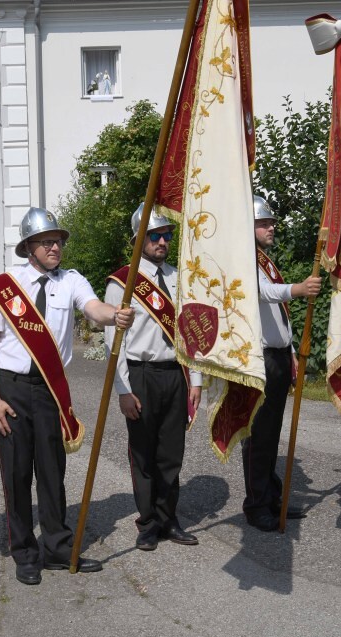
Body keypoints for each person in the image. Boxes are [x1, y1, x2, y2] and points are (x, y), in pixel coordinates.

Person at [0, 207, 134, 585]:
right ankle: (24, 553)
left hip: (49, 390)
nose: (55, 247)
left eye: (58, 241)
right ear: (28, 247)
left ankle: (58, 549)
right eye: (46, 242)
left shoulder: (71, 281)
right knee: (17, 474)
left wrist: (114, 314)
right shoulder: (6, 286)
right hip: (12, 389)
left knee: (52, 472)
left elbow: (93, 308)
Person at [104, 204, 203, 551]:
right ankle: (147, 523)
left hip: (174, 373)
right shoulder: (123, 281)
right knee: (144, 453)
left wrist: (196, 380)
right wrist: (123, 390)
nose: (162, 241)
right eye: (155, 235)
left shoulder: (180, 277)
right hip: (140, 374)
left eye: (167, 235)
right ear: (138, 240)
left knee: (171, 452)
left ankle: (168, 518)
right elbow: (113, 343)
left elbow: (191, 333)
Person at [241, 195, 321, 532]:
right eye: (264, 223)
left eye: (271, 222)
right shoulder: (243, 258)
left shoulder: (265, 260)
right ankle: (256, 505)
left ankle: (272, 497)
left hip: (276, 357)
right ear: (248, 226)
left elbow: (278, 317)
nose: (271, 227)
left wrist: (289, 353)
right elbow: (262, 293)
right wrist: (298, 288)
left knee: (271, 434)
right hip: (257, 360)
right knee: (258, 436)